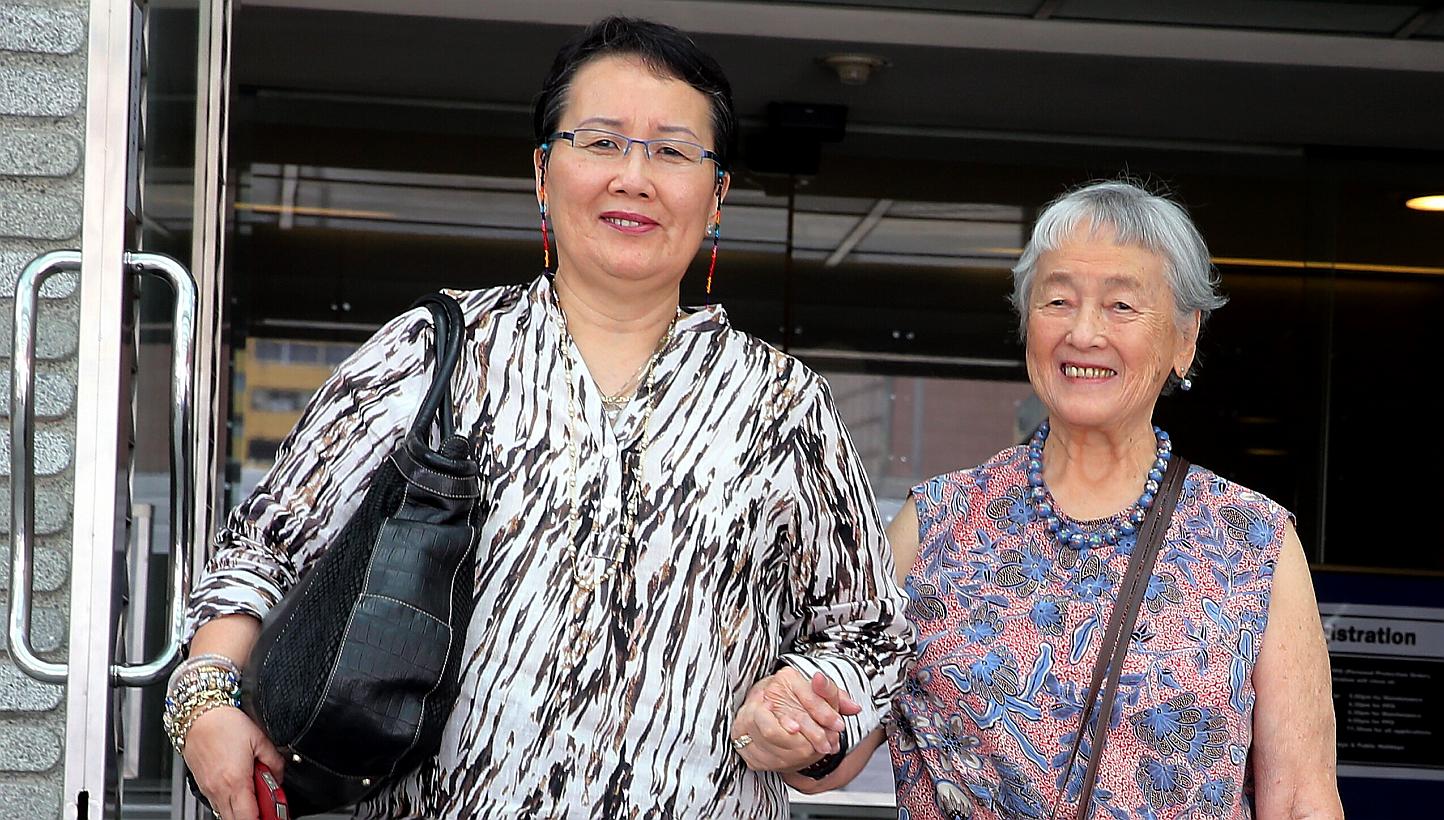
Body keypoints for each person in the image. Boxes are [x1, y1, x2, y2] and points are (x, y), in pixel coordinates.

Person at [167, 16, 912, 820]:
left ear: (718, 195)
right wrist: (205, 700)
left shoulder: (783, 401)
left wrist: (807, 707)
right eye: (600, 142)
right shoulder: (436, 352)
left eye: (672, 150)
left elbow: (866, 635)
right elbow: (264, 550)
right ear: (542, 174)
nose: (635, 176)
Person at [793, 181, 1344, 820]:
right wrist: (792, 725)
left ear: (1185, 339)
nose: (1083, 332)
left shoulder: (1254, 543)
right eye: (1057, 300)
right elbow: (831, 755)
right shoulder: (936, 523)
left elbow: (1302, 798)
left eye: (1120, 306)